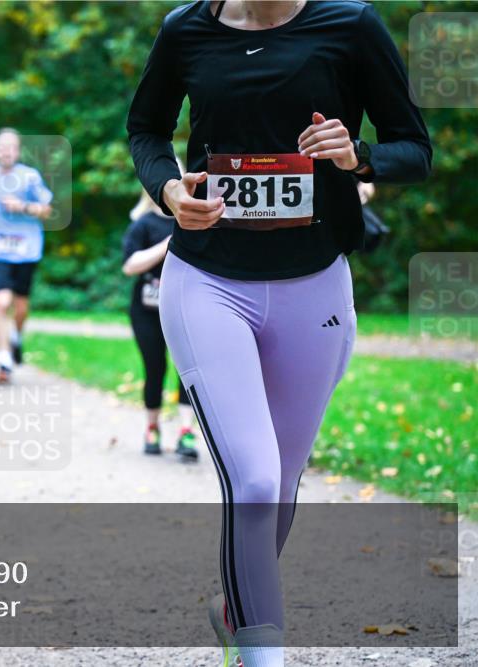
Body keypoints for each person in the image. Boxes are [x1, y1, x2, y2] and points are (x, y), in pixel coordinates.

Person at [126, 1, 431, 665]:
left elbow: (416, 149)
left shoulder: (350, 24)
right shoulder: (187, 28)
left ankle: (234, 608)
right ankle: (263, 653)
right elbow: (146, 131)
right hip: (207, 278)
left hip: (314, 281)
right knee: (256, 481)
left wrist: (359, 156)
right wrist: (171, 190)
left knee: (283, 479)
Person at [122, 188, 198, 461]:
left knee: (187, 371)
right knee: (155, 368)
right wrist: (166, 245)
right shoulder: (142, 224)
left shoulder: (193, 220)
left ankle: (186, 432)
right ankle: (151, 428)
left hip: (184, 307)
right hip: (146, 310)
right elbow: (129, 265)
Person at [0, 128, 53, 385]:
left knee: (20, 307)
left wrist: (24, 207)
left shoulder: (30, 177)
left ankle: (16, 334)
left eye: (10, 147)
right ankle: (4, 359)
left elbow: (47, 210)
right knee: (1, 302)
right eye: (1, 147)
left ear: (17, 151)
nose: (5, 152)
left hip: (26, 248)